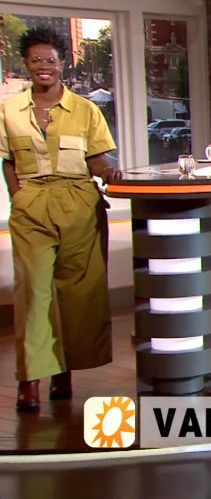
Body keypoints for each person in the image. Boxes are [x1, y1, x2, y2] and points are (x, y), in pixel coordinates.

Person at [0, 26, 122, 411]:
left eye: (50, 60)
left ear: (62, 63)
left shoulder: (86, 110)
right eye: (35, 60)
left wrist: (110, 170)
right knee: (32, 294)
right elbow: (8, 162)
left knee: (78, 295)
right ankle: (29, 379)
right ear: (26, 64)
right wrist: (18, 198)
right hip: (31, 207)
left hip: (79, 205)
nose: (43, 66)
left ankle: (63, 370)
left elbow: (96, 159)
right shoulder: (9, 111)